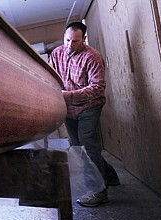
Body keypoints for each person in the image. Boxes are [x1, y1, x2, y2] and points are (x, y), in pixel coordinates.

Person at [49, 21, 120, 207]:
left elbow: (97, 88)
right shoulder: (56, 53)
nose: (69, 45)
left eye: (75, 41)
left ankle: (99, 191)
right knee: (78, 147)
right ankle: (109, 176)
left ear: (83, 39)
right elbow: (51, 78)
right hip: (67, 108)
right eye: (67, 40)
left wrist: (69, 95)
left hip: (89, 107)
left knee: (88, 145)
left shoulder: (93, 57)